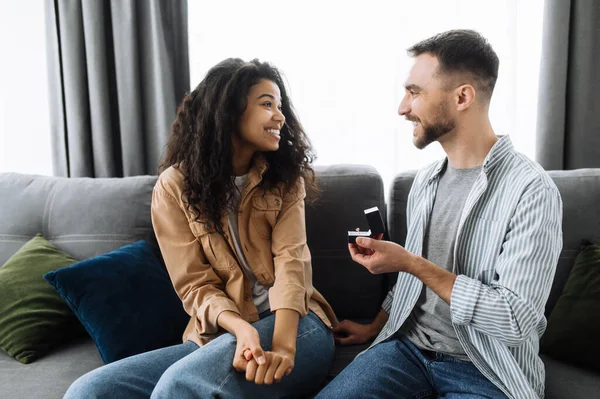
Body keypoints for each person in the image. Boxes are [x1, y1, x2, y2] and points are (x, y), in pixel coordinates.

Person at [64, 58, 337, 399]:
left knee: (179, 386)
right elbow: (194, 285)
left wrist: (282, 347)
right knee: (90, 391)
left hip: (297, 326)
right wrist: (241, 331)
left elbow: (291, 264)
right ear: (228, 110)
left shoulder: (284, 181)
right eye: (267, 104)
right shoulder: (173, 187)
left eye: (280, 106)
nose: (280, 116)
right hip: (221, 335)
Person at [317, 30, 562, 399]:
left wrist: (413, 263)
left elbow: (515, 320)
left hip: (485, 367)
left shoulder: (531, 191)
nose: (402, 107)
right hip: (407, 351)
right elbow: (413, 283)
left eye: (415, 92)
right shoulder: (426, 182)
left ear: (462, 96)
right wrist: (375, 326)